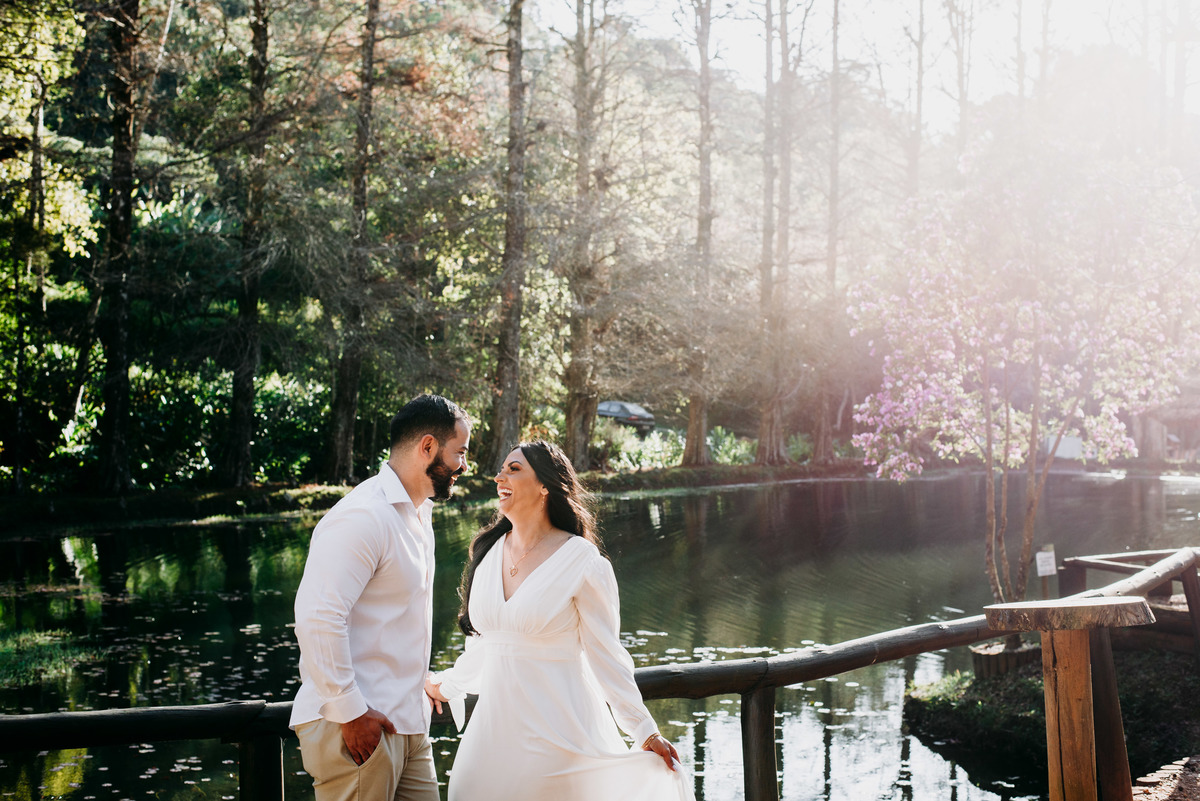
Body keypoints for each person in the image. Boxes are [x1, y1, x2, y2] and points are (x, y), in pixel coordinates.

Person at [424, 440, 694, 801]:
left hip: (560, 739)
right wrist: (446, 686)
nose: (498, 476)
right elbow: (486, 645)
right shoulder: (487, 552)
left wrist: (643, 730)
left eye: (513, 468)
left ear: (545, 486)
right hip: (491, 739)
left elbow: (606, 657)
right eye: (501, 468)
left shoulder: (582, 561)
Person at [290, 394, 471, 801]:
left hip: (407, 723)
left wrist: (414, 684)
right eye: (460, 453)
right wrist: (351, 711)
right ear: (427, 447)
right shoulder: (364, 515)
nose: (464, 466)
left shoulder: (418, 514)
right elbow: (318, 617)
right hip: (357, 727)